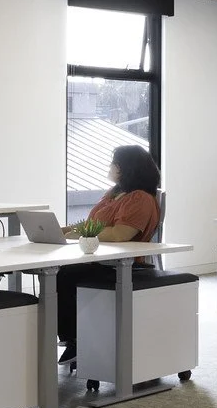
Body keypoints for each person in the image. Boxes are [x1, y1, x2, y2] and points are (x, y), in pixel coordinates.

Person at [54, 145, 163, 370]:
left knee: (62, 276)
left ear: (126, 168)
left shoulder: (139, 198)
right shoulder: (113, 193)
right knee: (59, 273)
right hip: (99, 260)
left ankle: (76, 340)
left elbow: (120, 234)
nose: (110, 167)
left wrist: (79, 234)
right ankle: (71, 337)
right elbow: (90, 224)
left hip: (124, 266)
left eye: (114, 163)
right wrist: (61, 231)